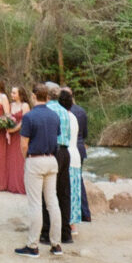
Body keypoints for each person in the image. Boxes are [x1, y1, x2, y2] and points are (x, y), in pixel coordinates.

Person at [15, 82, 62, 258]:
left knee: (36, 203)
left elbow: (23, 144)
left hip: (35, 160)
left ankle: (33, 245)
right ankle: (56, 244)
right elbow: (55, 137)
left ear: (34, 97)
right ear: (48, 98)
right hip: (51, 159)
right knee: (52, 202)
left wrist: (27, 159)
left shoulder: (29, 117)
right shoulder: (54, 116)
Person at [41, 82, 72, 245]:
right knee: (63, 193)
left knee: (47, 193)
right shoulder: (65, 111)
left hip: (53, 152)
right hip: (65, 152)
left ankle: (46, 232)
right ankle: (66, 233)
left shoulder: (48, 110)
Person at [59, 88, 81, 234]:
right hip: (75, 155)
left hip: (67, 155)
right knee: (74, 190)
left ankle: (68, 223)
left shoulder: (63, 117)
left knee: (66, 191)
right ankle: (72, 223)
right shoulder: (73, 117)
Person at [69, 87, 91, 221]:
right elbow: (85, 133)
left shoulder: (66, 112)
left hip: (70, 148)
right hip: (80, 147)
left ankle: (74, 214)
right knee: (79, 180)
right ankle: (85, 213)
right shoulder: (81, 111)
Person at [6, 85, 30, 195]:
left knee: (20, 158)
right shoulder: (10, 105)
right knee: (12, 158)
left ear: (20, 94)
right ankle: (12, 184)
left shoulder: (25, 105)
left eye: (14, 93)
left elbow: (25, 121)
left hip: (20, 134)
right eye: (11, 93)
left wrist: (14, 129)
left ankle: (21, 185)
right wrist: (8, 128)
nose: (12, 95)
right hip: (11, 134)